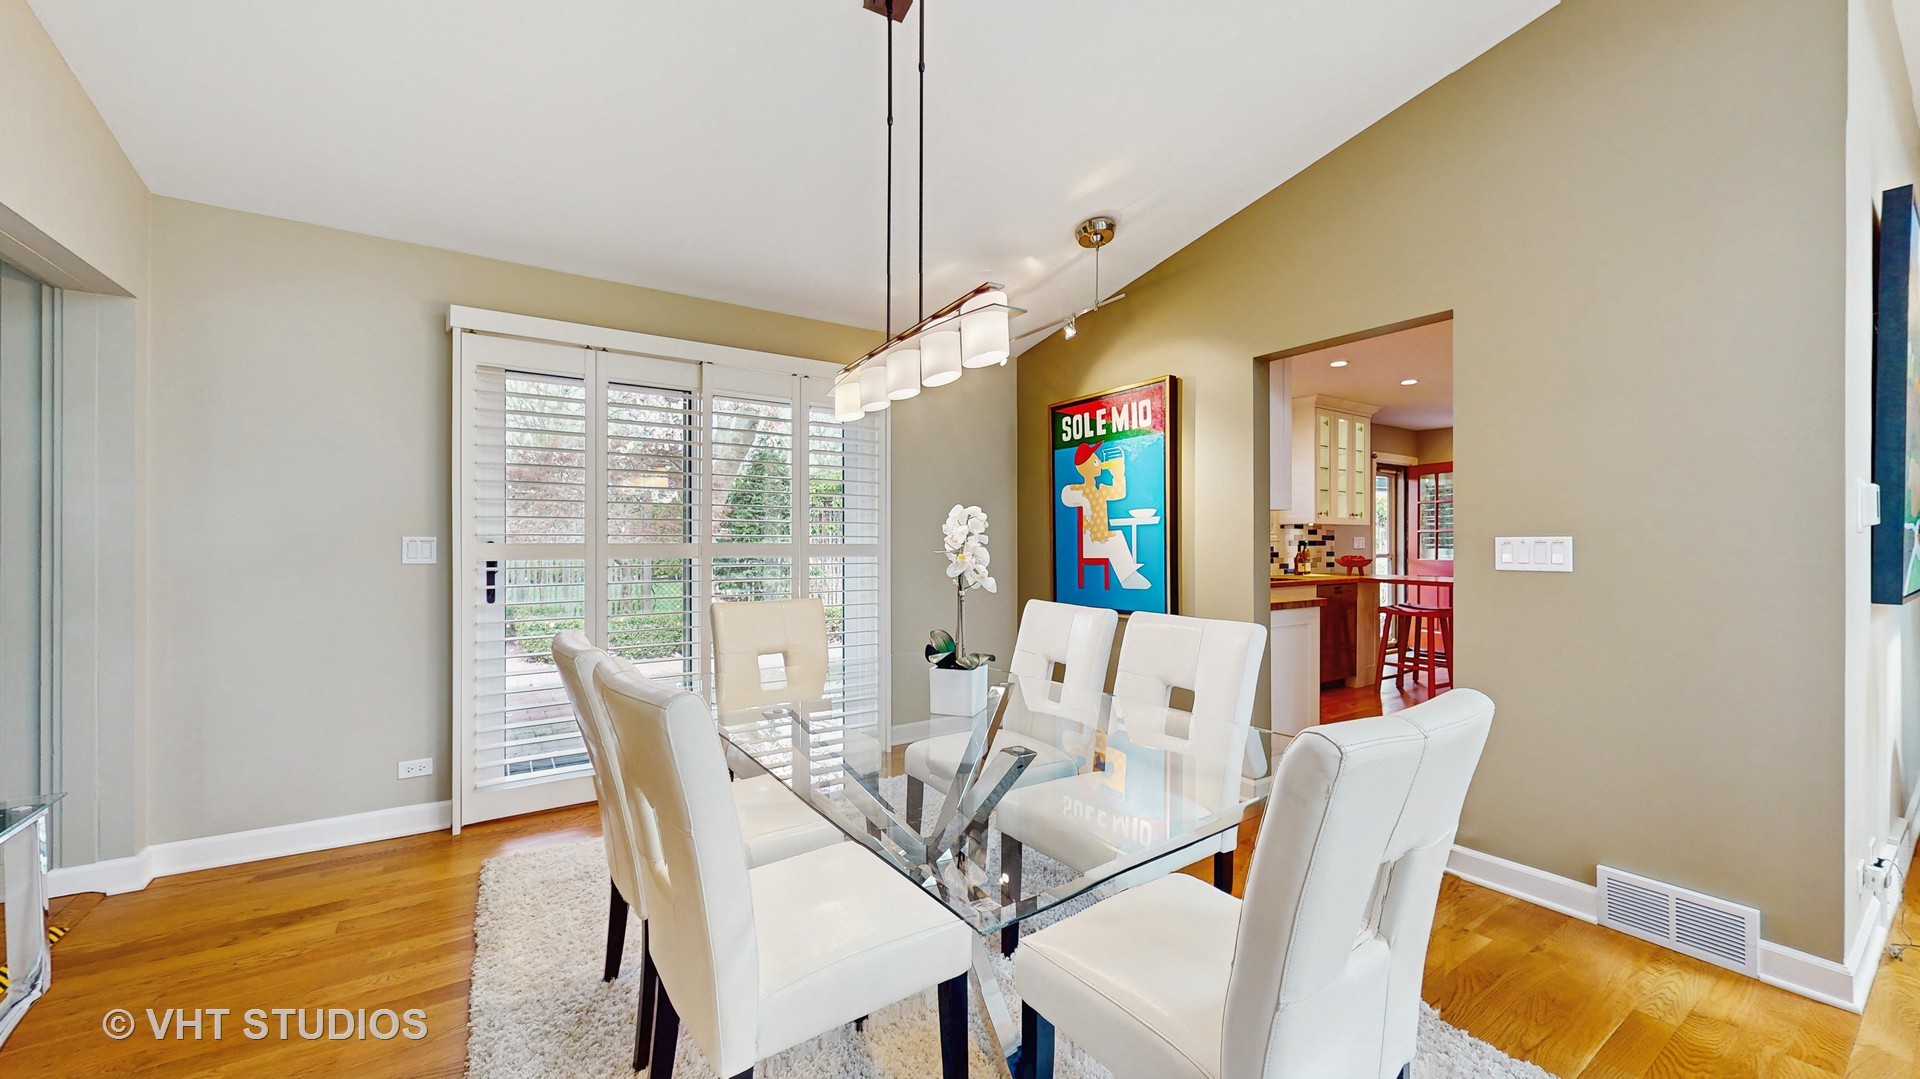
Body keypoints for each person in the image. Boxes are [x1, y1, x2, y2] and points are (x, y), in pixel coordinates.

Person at [1061, 442, 1151, 590]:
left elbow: (1120, 492)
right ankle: (1128, 578)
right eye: (1095, 461)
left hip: (1103, 538)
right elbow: (1065, 495)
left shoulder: (1100, 490)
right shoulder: (1080, 489)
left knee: (1117, 536)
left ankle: (1129, 575)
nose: (1101, 464)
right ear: (1084, 467)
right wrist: (1084, 501)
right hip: (1091, 542)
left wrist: (1118, 473)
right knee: (1115, 541)